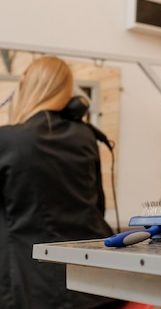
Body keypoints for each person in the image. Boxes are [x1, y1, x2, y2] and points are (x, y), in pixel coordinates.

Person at [0, 56, 126, 308]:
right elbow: (96, 206)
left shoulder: (7, 141)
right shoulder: (87, 137)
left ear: (24, 86)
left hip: (33, 290)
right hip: (97, 286)